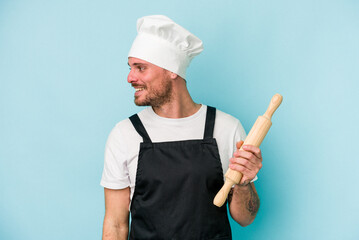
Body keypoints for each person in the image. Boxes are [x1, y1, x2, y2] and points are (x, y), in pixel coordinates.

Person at [101, 15, 262, 240]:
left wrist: (244, 185)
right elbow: (116, 225)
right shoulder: (125, 134)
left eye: (140, 68)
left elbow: (246, 218)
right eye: (130, 68)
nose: (130, 77)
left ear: (171, 70)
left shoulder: (226, 128)